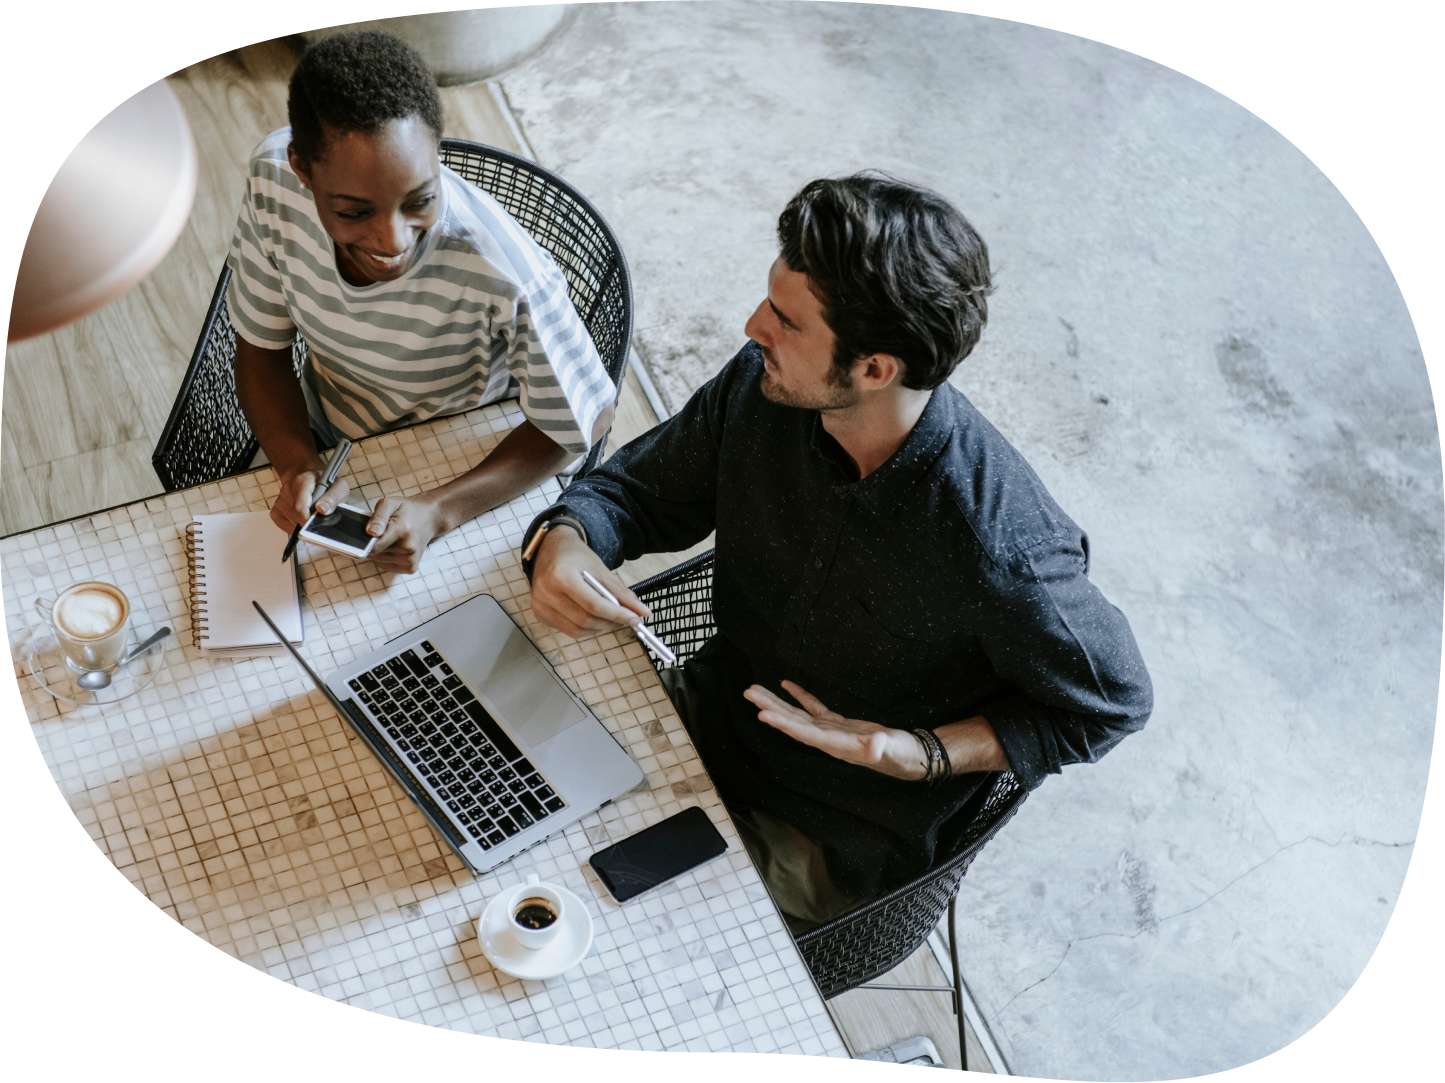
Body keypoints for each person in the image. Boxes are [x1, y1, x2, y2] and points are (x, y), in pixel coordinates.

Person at [524, 174, 1154, 930]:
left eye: (785, 320)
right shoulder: (768, 385)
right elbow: (638, 492)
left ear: (874, 368)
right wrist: (565, 539)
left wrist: (916, 752)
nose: (753, 325)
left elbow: (1113, 703)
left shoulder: (1001, 546)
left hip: (832, 828)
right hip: (705, 719)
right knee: (506, 821)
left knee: (604, 931)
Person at [227, 31, 615, 574]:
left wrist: (439, 510)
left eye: (420, 200)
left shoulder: (508, 275)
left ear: (437, 155)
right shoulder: (272, 180)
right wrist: (296, 463)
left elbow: (586, 420)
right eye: (354, 212)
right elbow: (261, 351)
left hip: (462, 464)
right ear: (301, 169)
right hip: (330, 443)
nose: (392, 241)